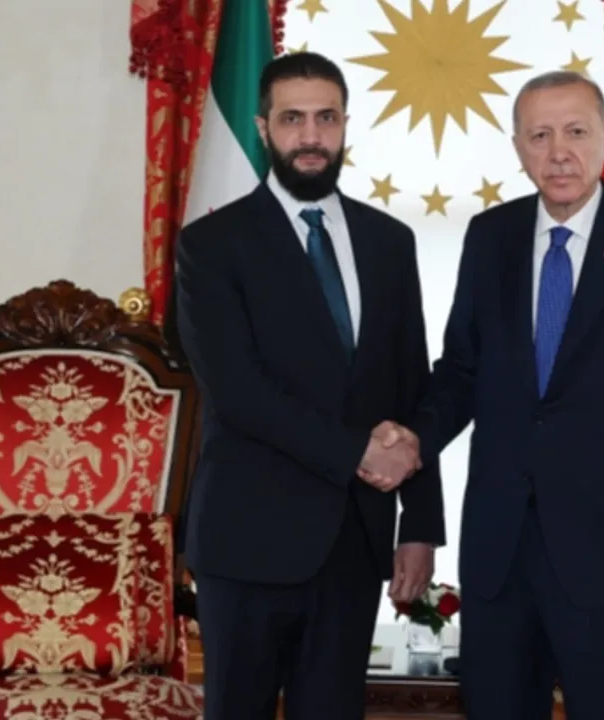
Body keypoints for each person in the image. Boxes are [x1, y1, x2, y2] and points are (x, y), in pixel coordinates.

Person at [368, 70, 604, 718]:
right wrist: (414, 438)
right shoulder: (490, 237)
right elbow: (462, 371)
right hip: (502, 551)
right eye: (540, 136)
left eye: (576, 132)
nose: (559, 152)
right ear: (518, 148)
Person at [173, 51, 444, 720]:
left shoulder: (390, 242)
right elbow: (239, 393)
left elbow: (411, 385)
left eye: (326, 118)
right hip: (246, 541)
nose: (311, 136)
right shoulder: (211, 245)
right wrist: (359, 451)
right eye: (293, 119)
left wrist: (421, 526)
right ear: (263, 128)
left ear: (346, 124)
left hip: (354, 543)